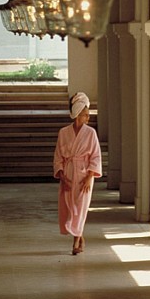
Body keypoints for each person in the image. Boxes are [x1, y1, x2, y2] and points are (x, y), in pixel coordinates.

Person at [53, 92, 102, 255]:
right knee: (69, 207)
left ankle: (75, 242)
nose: (87, 119)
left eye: (88, 115)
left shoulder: (91, 133)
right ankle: (80, 236)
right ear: (77, 115)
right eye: (85, 115)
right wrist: (61, 175)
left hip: (84, 174)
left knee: (80, 208)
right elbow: (58, 156)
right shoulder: (63, 133)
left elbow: (95, 156)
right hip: (67, 173)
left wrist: (89, 177)